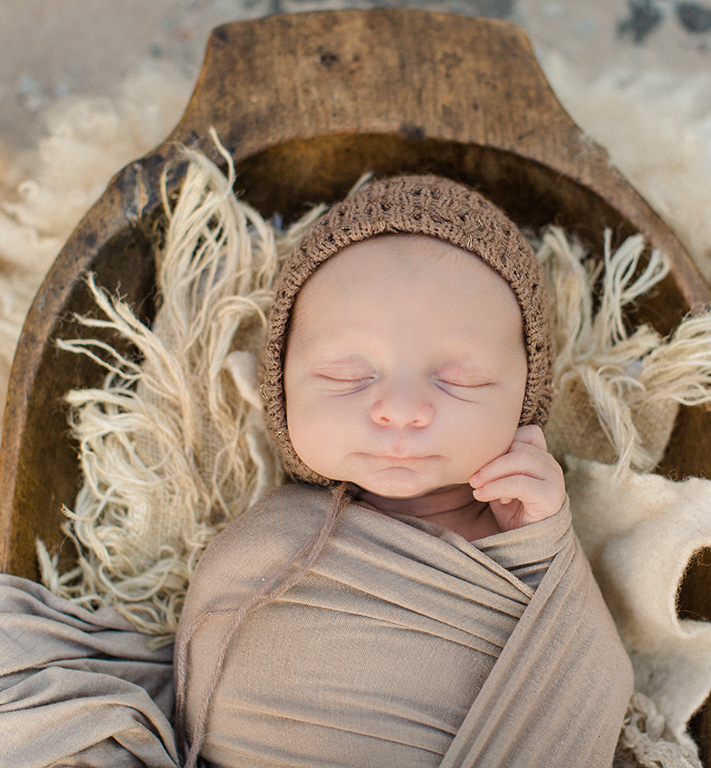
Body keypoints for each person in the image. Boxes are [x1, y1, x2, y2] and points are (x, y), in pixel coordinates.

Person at [174, 174, 634, 768]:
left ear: (525, 398)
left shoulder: (524, 538)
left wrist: (544, 546)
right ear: (282, 388)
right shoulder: (269, 543)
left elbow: (585, 683)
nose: (401, 409)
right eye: (347, 375)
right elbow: (202, 683)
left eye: (459, 379)